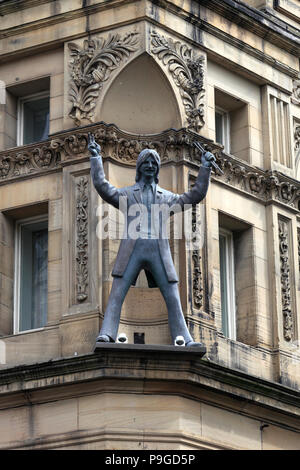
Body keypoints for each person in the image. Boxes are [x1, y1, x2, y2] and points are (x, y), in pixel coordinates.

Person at [88, 133, 215, 347]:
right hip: (132, 249)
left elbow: (194, 196)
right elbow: (102, 186)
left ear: (157, 168)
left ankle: (183, 338)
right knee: (117, 292)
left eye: (153, 163)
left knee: (172, 296)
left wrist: (205, 168)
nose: (149, 166)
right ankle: (107, 334)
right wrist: (95, 158)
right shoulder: (127, 194)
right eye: (145, 162)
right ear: (139, 168)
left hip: (158, 250)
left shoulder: (166, 197)